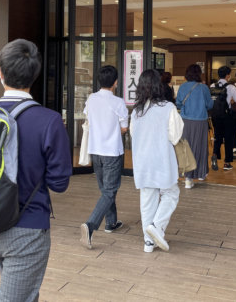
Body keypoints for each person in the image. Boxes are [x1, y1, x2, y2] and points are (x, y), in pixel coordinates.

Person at [0, 39, 71, 302]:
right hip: (28, 229)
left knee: (25, 294)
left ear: (0, 73)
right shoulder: (49, 121)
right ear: (35, 75)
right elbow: (59, 183)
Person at [131, 69, 184, 253]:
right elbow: (175, 136)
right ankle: (157, 226)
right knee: (171, 193)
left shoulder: (136, 111)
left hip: (142, 160)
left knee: (147, 200)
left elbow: (133, 134)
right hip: (162, 159)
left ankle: (148, 242)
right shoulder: (168, 108)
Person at [80, 65, 129, 249]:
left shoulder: (91, 99)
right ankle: (90, 225)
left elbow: (88, 118)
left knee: (105, 189)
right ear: (115, 82)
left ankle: (111, 222)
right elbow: (124, 128)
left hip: (95, 150)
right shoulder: (118, 102)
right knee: (109, 190)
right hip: (112, 151)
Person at [176, 63, 213, 189]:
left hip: (186, 121)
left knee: (186, 147)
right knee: (200, 147)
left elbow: (178, 103)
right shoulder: (204, 88)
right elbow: (210, 105)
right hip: (200, 121)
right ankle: (200, 173)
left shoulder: (182, 87)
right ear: (199, 74)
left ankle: (187, 177)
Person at [210, 66, 236, 171]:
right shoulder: (231, 87)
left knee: (217, 136)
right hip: (227, 116)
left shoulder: (212, 86)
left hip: (215, 115)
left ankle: (214, 155)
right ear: (228, 75)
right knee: (228, 138)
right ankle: (227, 163)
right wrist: (231, 101)